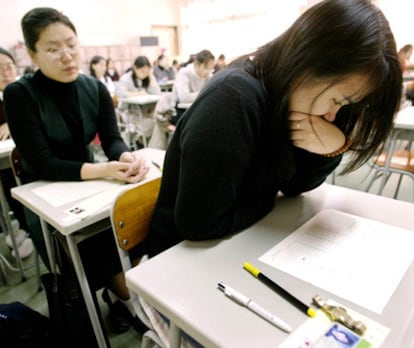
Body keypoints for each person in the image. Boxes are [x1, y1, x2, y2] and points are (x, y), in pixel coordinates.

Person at [143, 0, 402, 259]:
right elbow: (200, 224)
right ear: (308, 64)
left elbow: (295, 186)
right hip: (176, 260)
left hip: (232, 245)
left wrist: (332, 148)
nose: (333, 114)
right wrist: (269, 199)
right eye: (337, 100)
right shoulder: (232, 98)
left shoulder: (287, 101)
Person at [3, 7, 149, 334]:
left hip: (88, 183)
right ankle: (121, 297)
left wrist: (125, 157)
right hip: (41, 194)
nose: (67, 56)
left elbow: (112, 139)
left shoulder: (93, 88)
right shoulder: (19, 94)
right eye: (53, 49)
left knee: (130, 223)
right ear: (32, 54)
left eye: (72, 44)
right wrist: (105, 170)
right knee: (86, 250)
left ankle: (121, 295)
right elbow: (42, 162)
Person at [0, 47, 34, 259]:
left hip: (33, 159)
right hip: (6, 165)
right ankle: (20, 228)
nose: (6, 73)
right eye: (0, 69)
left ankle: (27, 229)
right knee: (10, 183)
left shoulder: (26, 91)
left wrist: (12, 125)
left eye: (9, 67)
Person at [171, 49, 215, 124]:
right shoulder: (184, 73)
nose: (208, 71)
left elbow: (213, 93)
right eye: (206, 68)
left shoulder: (208, 75)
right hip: (181, 112)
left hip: (199, 109)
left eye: (211, 69)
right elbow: (184, 98)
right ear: (197, 64)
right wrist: (205, 94)